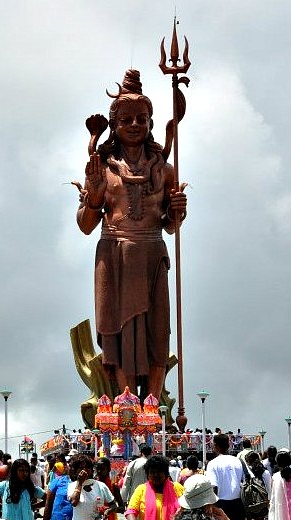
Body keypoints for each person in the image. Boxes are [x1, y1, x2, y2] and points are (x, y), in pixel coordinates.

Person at [75, 68, 187, 399]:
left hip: (152, 253)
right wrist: (94, 195)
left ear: (151, 123)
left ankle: (153, 400)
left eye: (142, 119)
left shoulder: (164, 170)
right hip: (113, 255)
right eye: (126, 120)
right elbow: (84, 225)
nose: (134, 125)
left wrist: (178, 212)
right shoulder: (102, 168)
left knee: (156, 331)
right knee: (117, 332)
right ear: (114, 126)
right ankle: (125, 400)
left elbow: (168, 224)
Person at [242, 451, 270, 520]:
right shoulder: (265, 473)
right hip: (261, 503)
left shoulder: (245, 471)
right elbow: (268, 489)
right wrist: (268, 502)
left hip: (248, 503)